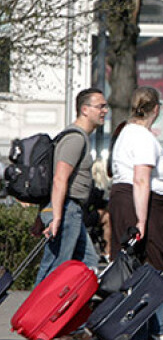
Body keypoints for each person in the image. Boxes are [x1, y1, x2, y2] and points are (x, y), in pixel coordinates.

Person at [108, 86, 163, 340]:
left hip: (132, 202)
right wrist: (140, 221)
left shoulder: (128, 132)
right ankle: (146, 331)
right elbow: (141, 179)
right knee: (158, 269)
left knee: (138, 269)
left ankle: (144, 332)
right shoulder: (141, 137)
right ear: (156, 109)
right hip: (139, 206)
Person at [36, 88, 107, 284]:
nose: (105, 111)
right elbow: (59, 178)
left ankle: (74, 313)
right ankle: (34, 313)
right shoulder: (75, 138)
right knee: (54, 268)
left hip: (70, 210)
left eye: (105, 106)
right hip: (66, 210)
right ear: (85, 109)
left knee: (89, 263)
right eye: (100, 106)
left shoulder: (80, 137)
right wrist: (56, 217)